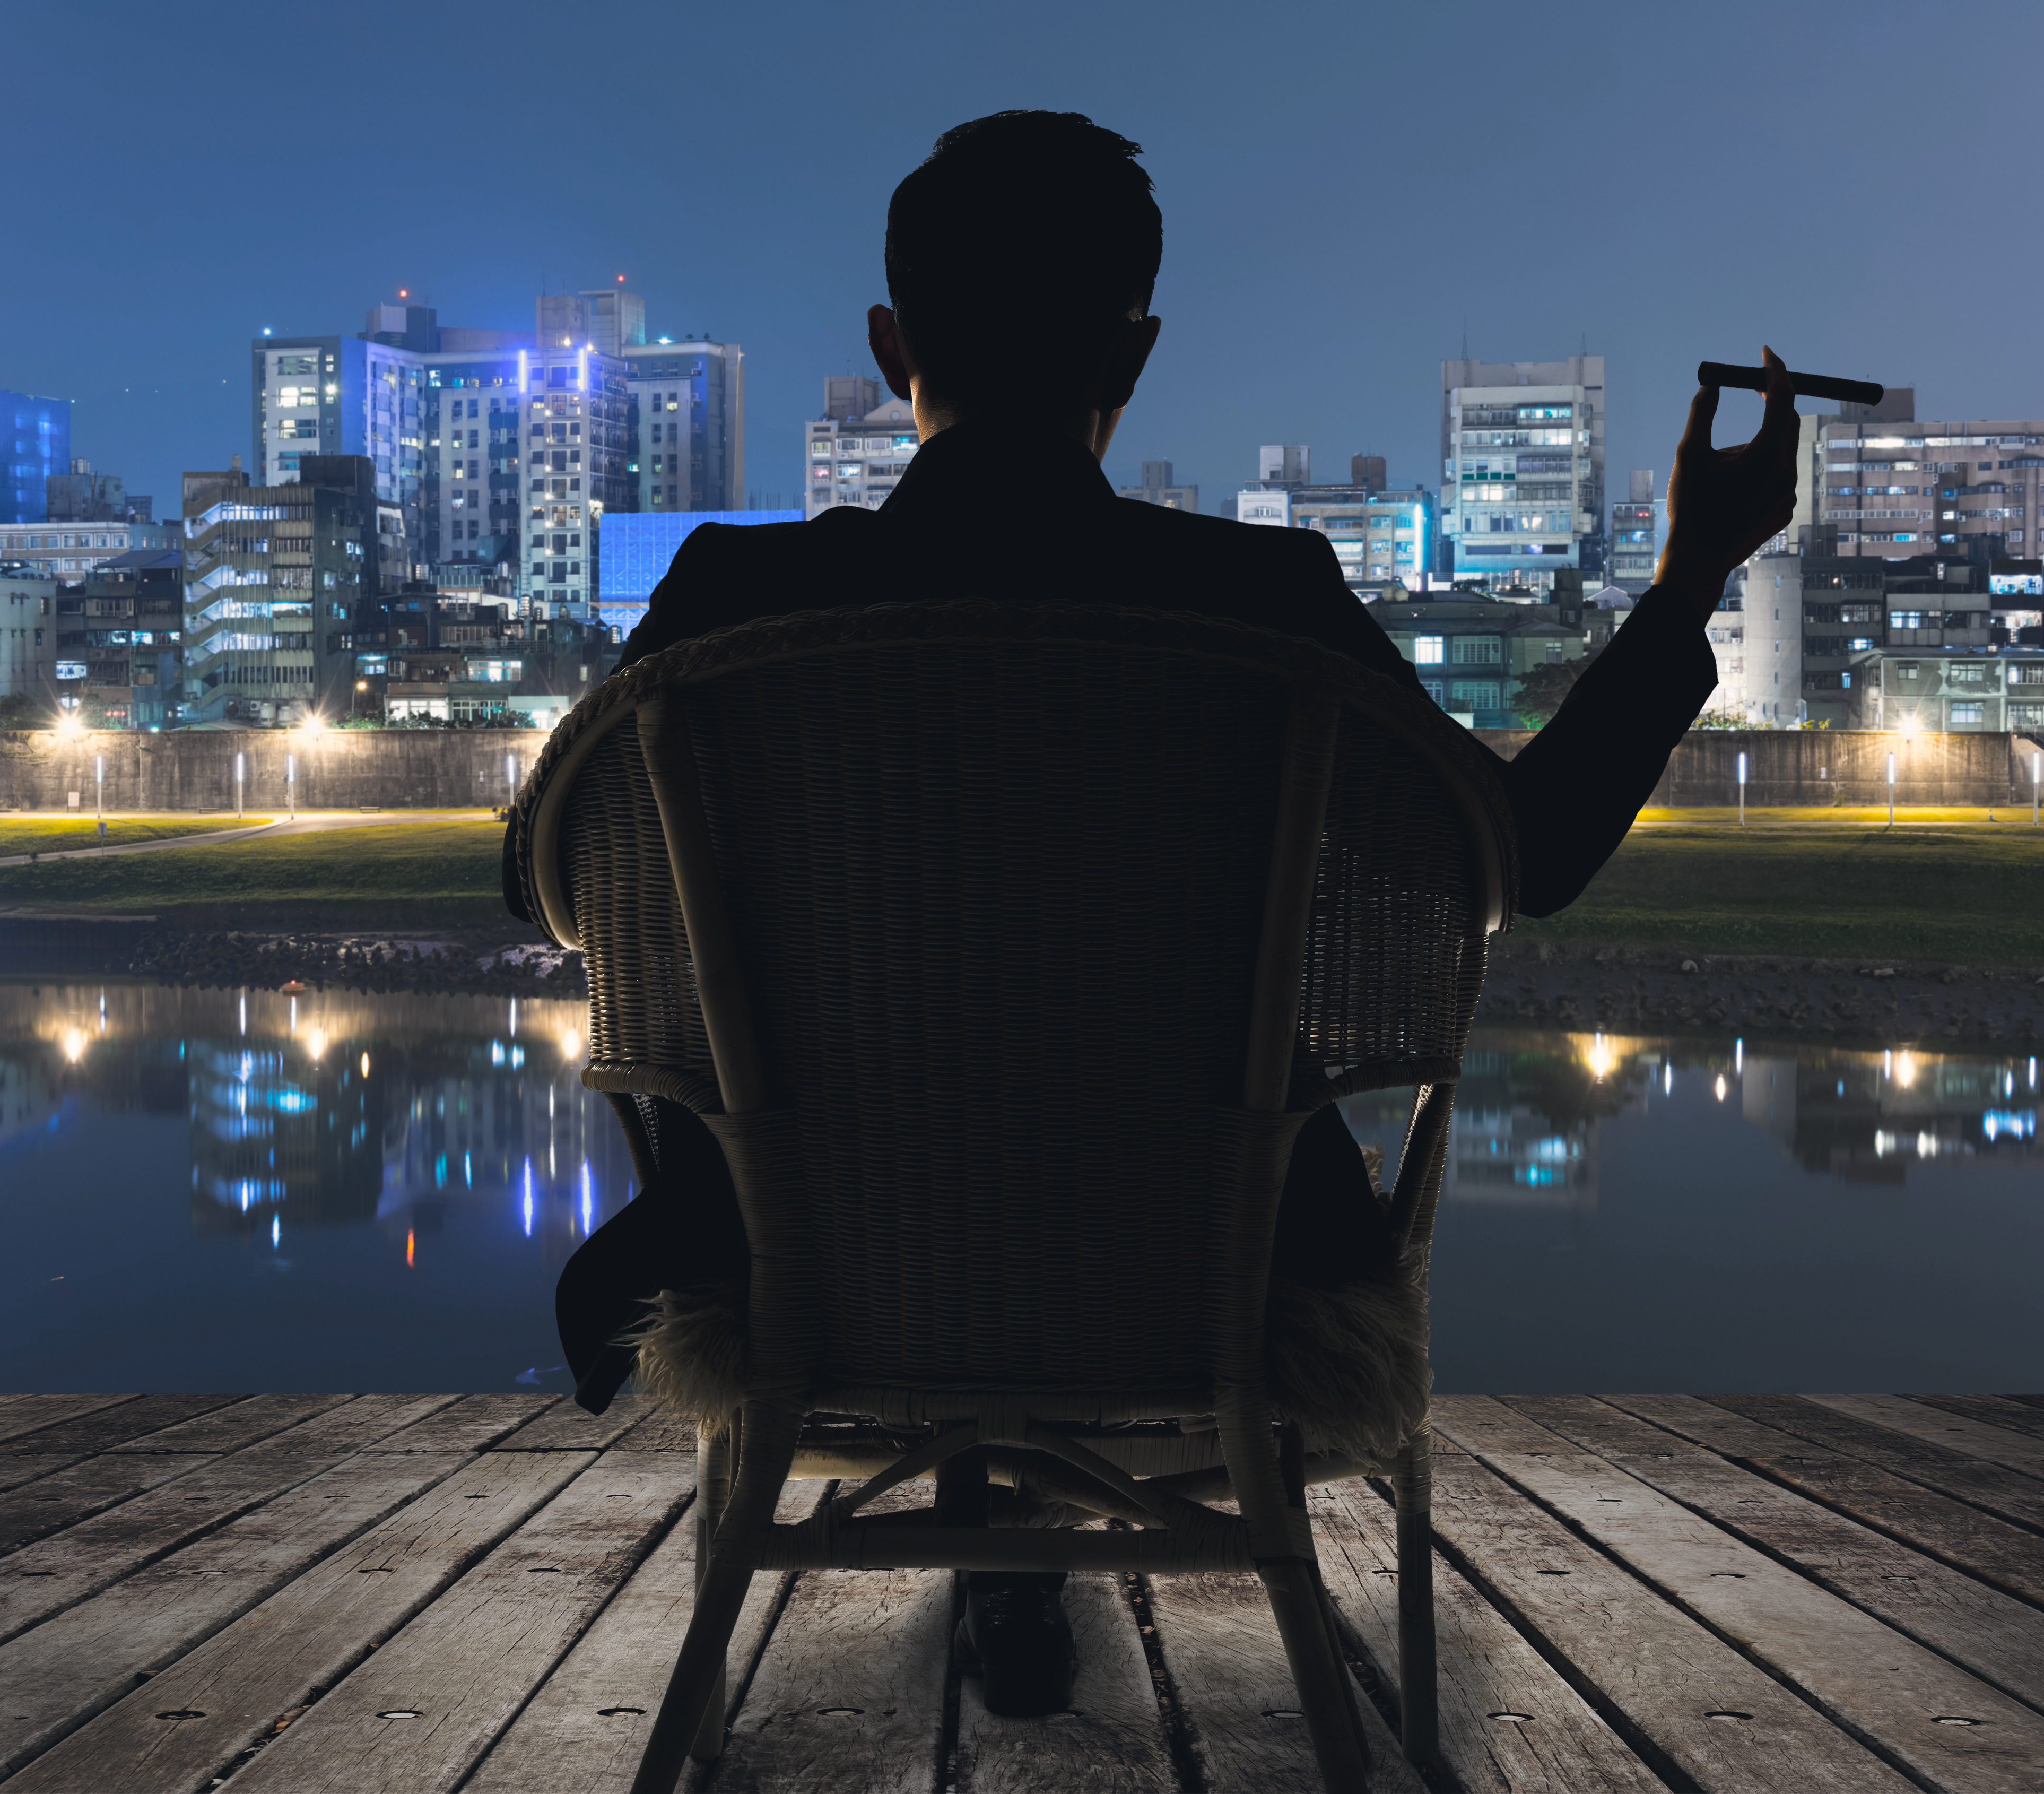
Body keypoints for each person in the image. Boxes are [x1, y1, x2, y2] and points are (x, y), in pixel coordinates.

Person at [509, 110, 1797, 1718]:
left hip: (803, 1271)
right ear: (1141, 345)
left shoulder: (728, 601)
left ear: (892, 342)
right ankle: (1030, 1560)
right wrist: (1689, 578)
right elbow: (1519, 857)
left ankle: (1001, 1556)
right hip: (1216, 1267)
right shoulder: (1262, 610)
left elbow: (542, 880)